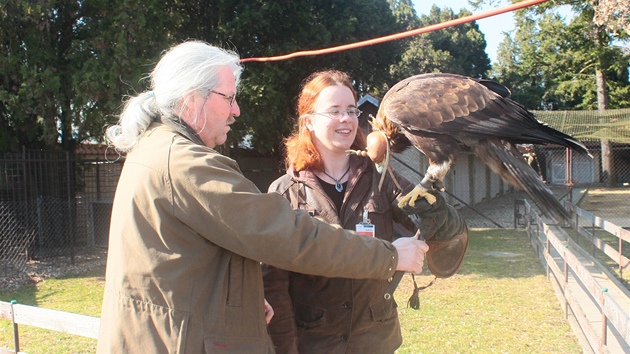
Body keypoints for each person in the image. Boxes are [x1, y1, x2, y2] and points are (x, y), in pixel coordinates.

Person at [96, 41, 430, 353]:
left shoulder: (155, 150)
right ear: (192, 99)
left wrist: (245, 301)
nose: (236, 110)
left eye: (351, 110)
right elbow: (290, 236)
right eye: (228, 98)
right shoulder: (186, 164)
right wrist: (388, 256)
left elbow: (183, 261)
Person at [263, 70, 468, 353]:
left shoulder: (382, 179)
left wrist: (439, 214)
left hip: (375, 340)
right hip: (316, 343)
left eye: (351, 110)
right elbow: (273, 285)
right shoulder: (285, 193)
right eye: (334, 111)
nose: (346, 119)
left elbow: (446, 238)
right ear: (308, 121)